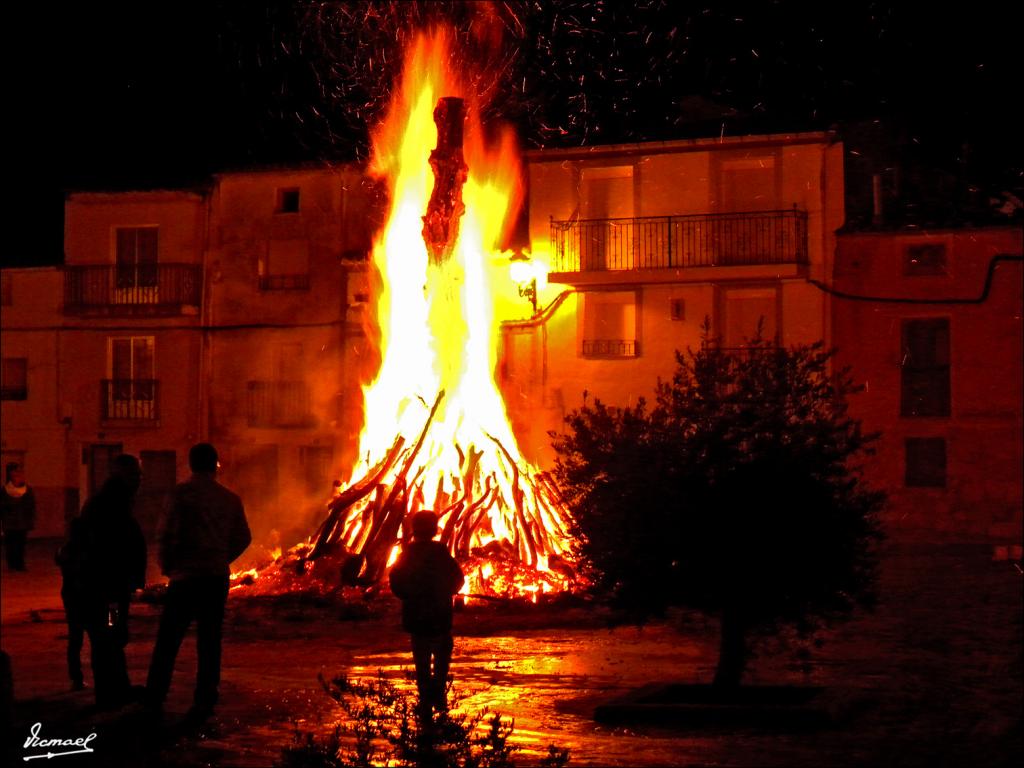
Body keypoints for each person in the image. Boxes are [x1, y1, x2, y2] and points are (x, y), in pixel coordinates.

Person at [146, 443, 251, 723]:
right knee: (210, 641)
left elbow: (164, 534)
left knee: (168, 640)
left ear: (191, 464)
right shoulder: (229, 499)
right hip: (215, 578)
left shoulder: (179, 495)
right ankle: (205, 699)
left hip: (185, 578)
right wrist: (222, 558)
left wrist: (168, 567)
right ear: (215, 465)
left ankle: (155, 696)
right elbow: (244, 537)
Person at [70, 454, 147, 709]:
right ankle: (110, 694)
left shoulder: (110, 501)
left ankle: (116, 689)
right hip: (107, 590)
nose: (140, 479)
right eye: (136, 474)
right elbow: (111, 547)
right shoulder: (111, 504)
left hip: (107, 586)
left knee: (111, 636)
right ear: (123, 475)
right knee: (109, 635)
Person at [388, 510, 465, 715]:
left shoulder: (407, 554)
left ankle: (425, 703)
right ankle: (439, 700)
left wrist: (409, 596)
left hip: (417, 619)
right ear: (434, 530)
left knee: (422, 663)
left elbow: (396, 580)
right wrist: (447, 592)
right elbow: (458, 578)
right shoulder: (440, 553)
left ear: (414, 530)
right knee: (441, 662)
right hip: (440, 617)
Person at [1, 462, 36, 571]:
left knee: (21, 544)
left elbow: (31, 506)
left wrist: (30, 519)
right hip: (10, 522)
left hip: (22, 522)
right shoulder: (4, 490)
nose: (18, 475)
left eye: (20, 472)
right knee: (10, 544)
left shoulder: (28, 490)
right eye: (15, 472)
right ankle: (12, 564)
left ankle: (20, 564)